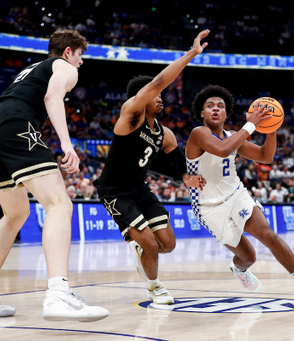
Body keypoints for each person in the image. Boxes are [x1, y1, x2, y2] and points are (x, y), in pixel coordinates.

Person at [0, 30, 108, 321]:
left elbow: (14, 103)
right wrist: (67, 145)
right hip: (13, 125)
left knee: (14, 214)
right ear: (68, 52)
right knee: (59, 204)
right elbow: (52, 96)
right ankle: (58, 295)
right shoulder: (65, 67)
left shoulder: (30, 70)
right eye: (80, 55)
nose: (81, 62)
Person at [92, 30, 210, 305]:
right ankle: (154, 287)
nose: (161, 98)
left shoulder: (165, 133)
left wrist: (187, 177)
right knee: (149, 243)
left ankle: (142, 252)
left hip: (140, 189)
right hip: (114, 191)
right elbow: (158, 82)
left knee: (167, 244)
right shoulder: (130, 117)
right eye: (156, 96)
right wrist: (192, 54)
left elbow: (178, 161)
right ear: (142, 98)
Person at [185, 84, 294, 309]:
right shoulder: (198, 133)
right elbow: (222, 149)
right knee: (249, 256)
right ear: (202, 113)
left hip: (235, 194)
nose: (215, 109)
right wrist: (252, 124)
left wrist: (270, 127)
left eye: (220, 106)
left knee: (268, 235)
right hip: (208, 207)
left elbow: (265, 156)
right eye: (209, 106)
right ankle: (240, 269)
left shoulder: (234, 137)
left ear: (226, 113)